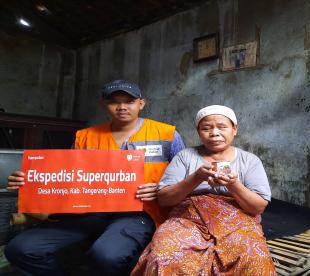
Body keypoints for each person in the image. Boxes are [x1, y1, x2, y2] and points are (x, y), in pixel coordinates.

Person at [5, 80, 185, 276]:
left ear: (141, 103)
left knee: (106, 256)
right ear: (103, 105)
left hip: (140, 213)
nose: (122, 107)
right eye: (114, 101)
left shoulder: (167, 134)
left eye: (129, 101)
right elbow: (65, 178)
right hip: (88, 212)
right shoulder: (85, 136)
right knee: (20, 249)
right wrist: (30, 182)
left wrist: (160, 189)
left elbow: (185, 178)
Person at [131, 105, 276, 275]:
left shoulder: (250, 161)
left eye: (222, 127)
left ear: (234, 129)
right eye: (206, 128)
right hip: (187, 218)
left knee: (252, 256)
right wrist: (196, 177)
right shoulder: (185, 156)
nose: (214, 133)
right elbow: (164, 199)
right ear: (199, 132)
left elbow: (257, 207)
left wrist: (234, 185)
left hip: (237, 220)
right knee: (165, 254)